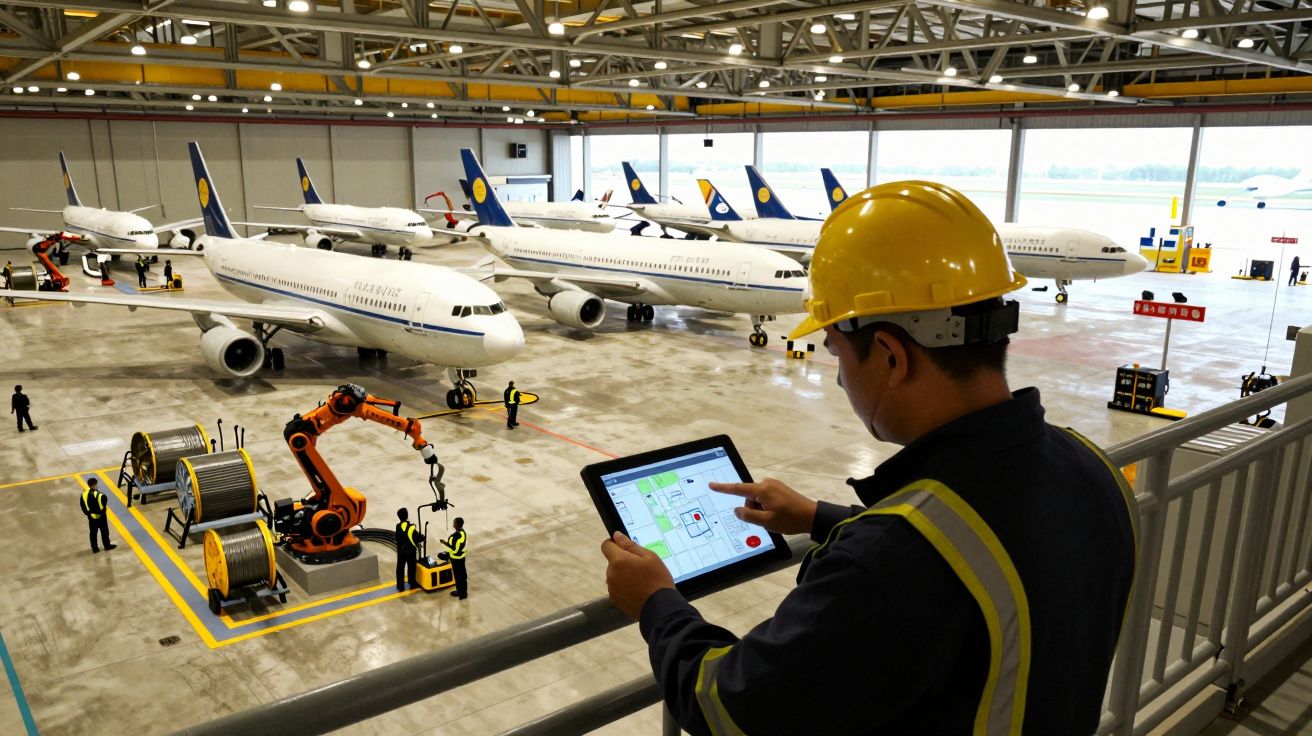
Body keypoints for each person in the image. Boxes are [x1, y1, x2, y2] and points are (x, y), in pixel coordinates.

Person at [600, 181, 1138, 735]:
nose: (837, 377)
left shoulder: (886, 563)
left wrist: (656, 602)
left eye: (835, 351)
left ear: (889, 356)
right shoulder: (1094, 469)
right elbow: (983, 553)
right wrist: (821, 519)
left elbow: (728, 707)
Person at [80, 477, 116, 553]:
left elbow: (83, 507)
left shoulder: (84, 495)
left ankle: (95, 548)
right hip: (101, 517)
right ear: (95, 484)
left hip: (91, 518)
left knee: (93, 533)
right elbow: (104, 505)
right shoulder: (101, 495)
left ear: (89, 485)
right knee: (104, 531)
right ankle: (107, 545)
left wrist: (88, 514)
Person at [395, 507, 422, 591]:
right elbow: (417, 538)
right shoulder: (411, 527)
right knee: (411, 567)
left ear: (399, 517)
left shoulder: (398, 527)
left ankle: (400, 586)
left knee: (400, 568)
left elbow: (397, 538)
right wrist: (422, 538)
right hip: (411, 551)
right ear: (407, 515)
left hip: (401, 552)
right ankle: (412, 583)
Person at [441, 517, 468, 599]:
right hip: (461, 557)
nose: (453, 524)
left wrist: (445, 544)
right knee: (463, 575)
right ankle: (464, 592)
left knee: (458, 576)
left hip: (455, 558)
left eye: (454, 523)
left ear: (458, 525)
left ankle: (460, 593)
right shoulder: (463, 533)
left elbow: (454, 549)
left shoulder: (455, 536)